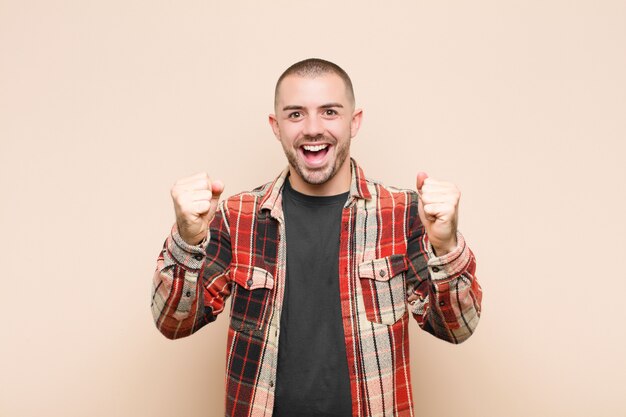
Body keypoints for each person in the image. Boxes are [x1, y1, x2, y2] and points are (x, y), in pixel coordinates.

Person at [151, 58, 483, 417]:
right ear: (275, 126)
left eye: (329, 112)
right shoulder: (237, 216)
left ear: (354, 122)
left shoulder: (403, 213)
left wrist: (446, 246)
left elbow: (458, 328)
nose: (312, 128)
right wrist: (187, 239)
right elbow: (173, 322)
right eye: (295, 114)